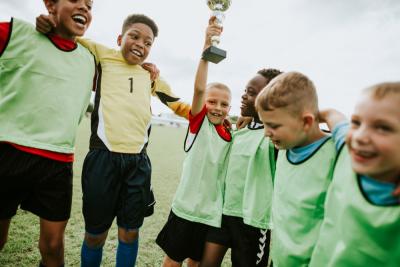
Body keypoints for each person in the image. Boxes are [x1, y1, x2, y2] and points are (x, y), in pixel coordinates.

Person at [36, 12, 191, 267]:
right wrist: (49, 24)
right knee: (95, 235)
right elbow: (69, 35)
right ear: (120, 37)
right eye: (134, 36)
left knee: (130, 233)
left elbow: (180, 106)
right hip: (102, 160)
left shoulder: (150, 76)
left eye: (148, 42)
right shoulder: (103, 55)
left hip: (138, 164)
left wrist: (213, 113)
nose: (141, 44)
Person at [0, 0, 95, 266]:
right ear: (50, 4)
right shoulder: (14, 33)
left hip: (58, 160)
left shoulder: (89, 61)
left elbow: (123, 71)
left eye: (90, 5)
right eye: (76, 0)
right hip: (8, 153)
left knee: (53, 247)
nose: (85, 8)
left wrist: (150, 71)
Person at [156, 17, 232, 267]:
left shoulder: (230, 135)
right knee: (173, 260)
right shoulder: (199, 123)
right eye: (213, 101)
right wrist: (206, 46)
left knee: (196, 262)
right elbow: (199, 89)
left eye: (224, 104)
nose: (217, 108)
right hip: (186, 209)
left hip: (211, 214)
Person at [309, 82, 400, 267]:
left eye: (382, 127)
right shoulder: (346, 152)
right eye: (356, 123)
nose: (359, 136)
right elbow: (332, 115)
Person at [200, 68, 281, 267]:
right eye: (246, 90)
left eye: (252, 93)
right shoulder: (240, 132)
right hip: (223, 213)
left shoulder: (276, 138)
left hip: (253, 222)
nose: (244, 96)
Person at [255, 71, 337, 267]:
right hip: (280, 259)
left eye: (273, 126)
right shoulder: (285, 144)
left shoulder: (337, 153)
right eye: (264, 124)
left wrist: (331, 115)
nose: (266, 133)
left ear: (307, 122)